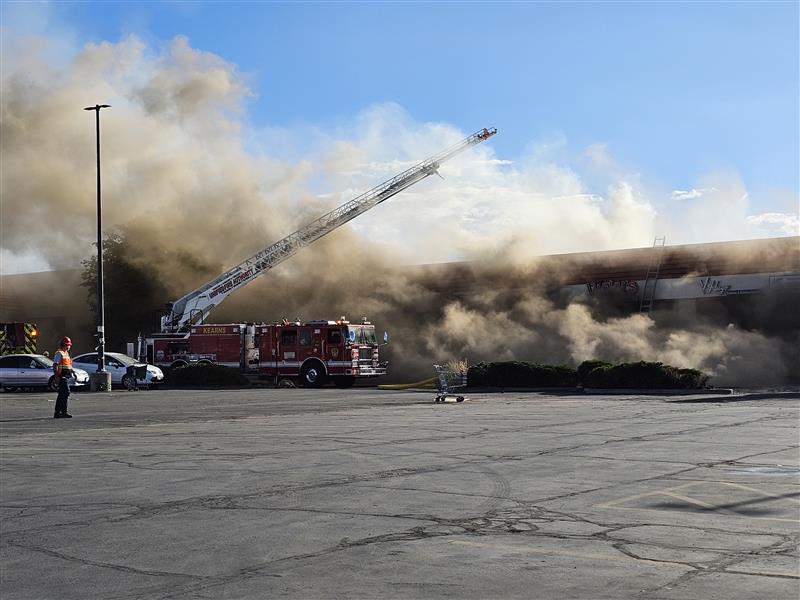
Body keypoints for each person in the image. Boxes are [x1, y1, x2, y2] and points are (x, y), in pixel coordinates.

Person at [52, 336, 74, 418]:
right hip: (62, 376)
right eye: (68, 345)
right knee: (66, 393)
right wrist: (56, 376)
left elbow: (68, 365)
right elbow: (55, 365)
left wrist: (73, 372)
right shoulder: (59, 353)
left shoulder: (66, 353)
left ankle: (58, 413)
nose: (69, 346)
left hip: (66, 376)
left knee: (62, 394)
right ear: (64, 345)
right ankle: (63, 412)